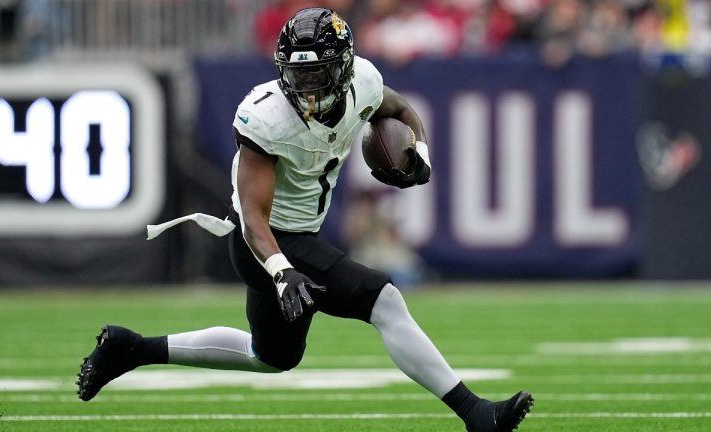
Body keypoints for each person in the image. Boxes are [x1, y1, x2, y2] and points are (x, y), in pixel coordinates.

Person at [76, 7, 533, 432]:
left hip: (295, 238)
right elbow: (253, 215)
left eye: (317, 71)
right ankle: (476, 413)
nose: (307, 84)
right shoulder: (266, 116)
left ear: (345, 66)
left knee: (272, 356)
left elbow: (399, 110)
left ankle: (131, 347)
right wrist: (282, 271)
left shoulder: (365, 84)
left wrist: (421, 153)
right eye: (297, 72)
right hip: (264, 242)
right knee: (384, 299)